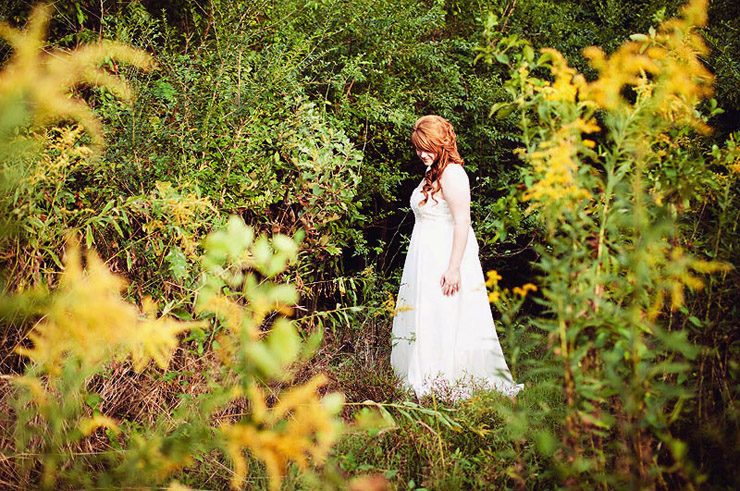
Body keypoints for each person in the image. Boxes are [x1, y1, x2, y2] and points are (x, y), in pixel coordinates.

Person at [390, 115, 523, 398]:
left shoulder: (452, 174)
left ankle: (445, 378)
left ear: (441, 143)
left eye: (427, 148)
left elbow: (463, 222)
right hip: (423, 256)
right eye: (418, 148)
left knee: (444, 315)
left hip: (446, 256)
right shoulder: (431, 173)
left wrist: (453, 268)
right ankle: (424, 375)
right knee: (425, 316)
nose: (421, 154)